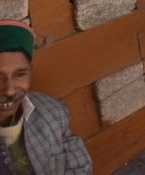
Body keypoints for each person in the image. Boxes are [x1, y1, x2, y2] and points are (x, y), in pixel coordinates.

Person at [0, 20, 92, 174]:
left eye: (20, 74)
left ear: (31, 71)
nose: (9, 90)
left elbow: (79, 167)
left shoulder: (53, 112)